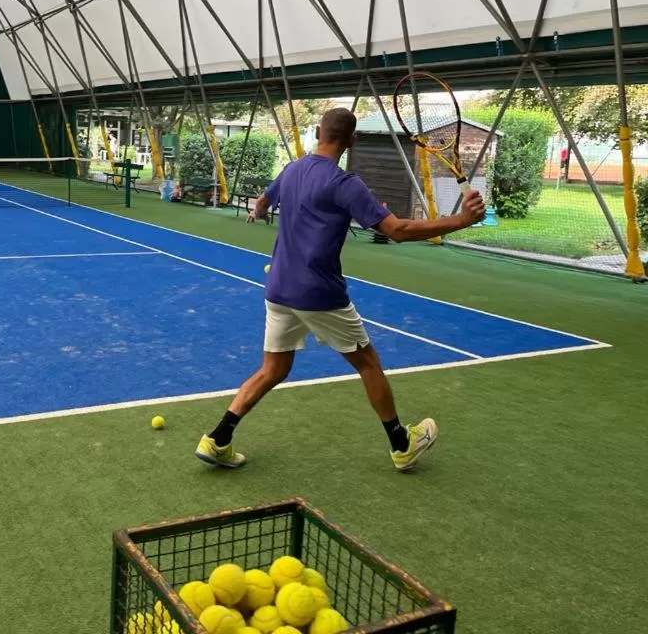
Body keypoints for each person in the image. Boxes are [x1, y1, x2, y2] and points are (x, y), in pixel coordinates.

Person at [195, 107, 486, 472]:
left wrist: (263, 209)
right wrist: (460, 220)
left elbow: (264, 200)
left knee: (273, 369)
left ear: (318, 133)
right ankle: (402, 445)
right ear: (352, 140)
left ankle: (217, 439)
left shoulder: (291, 170)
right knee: (368, 363)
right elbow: (396, 231)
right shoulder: (344, 183)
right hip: (319, 294)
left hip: (279, 290)